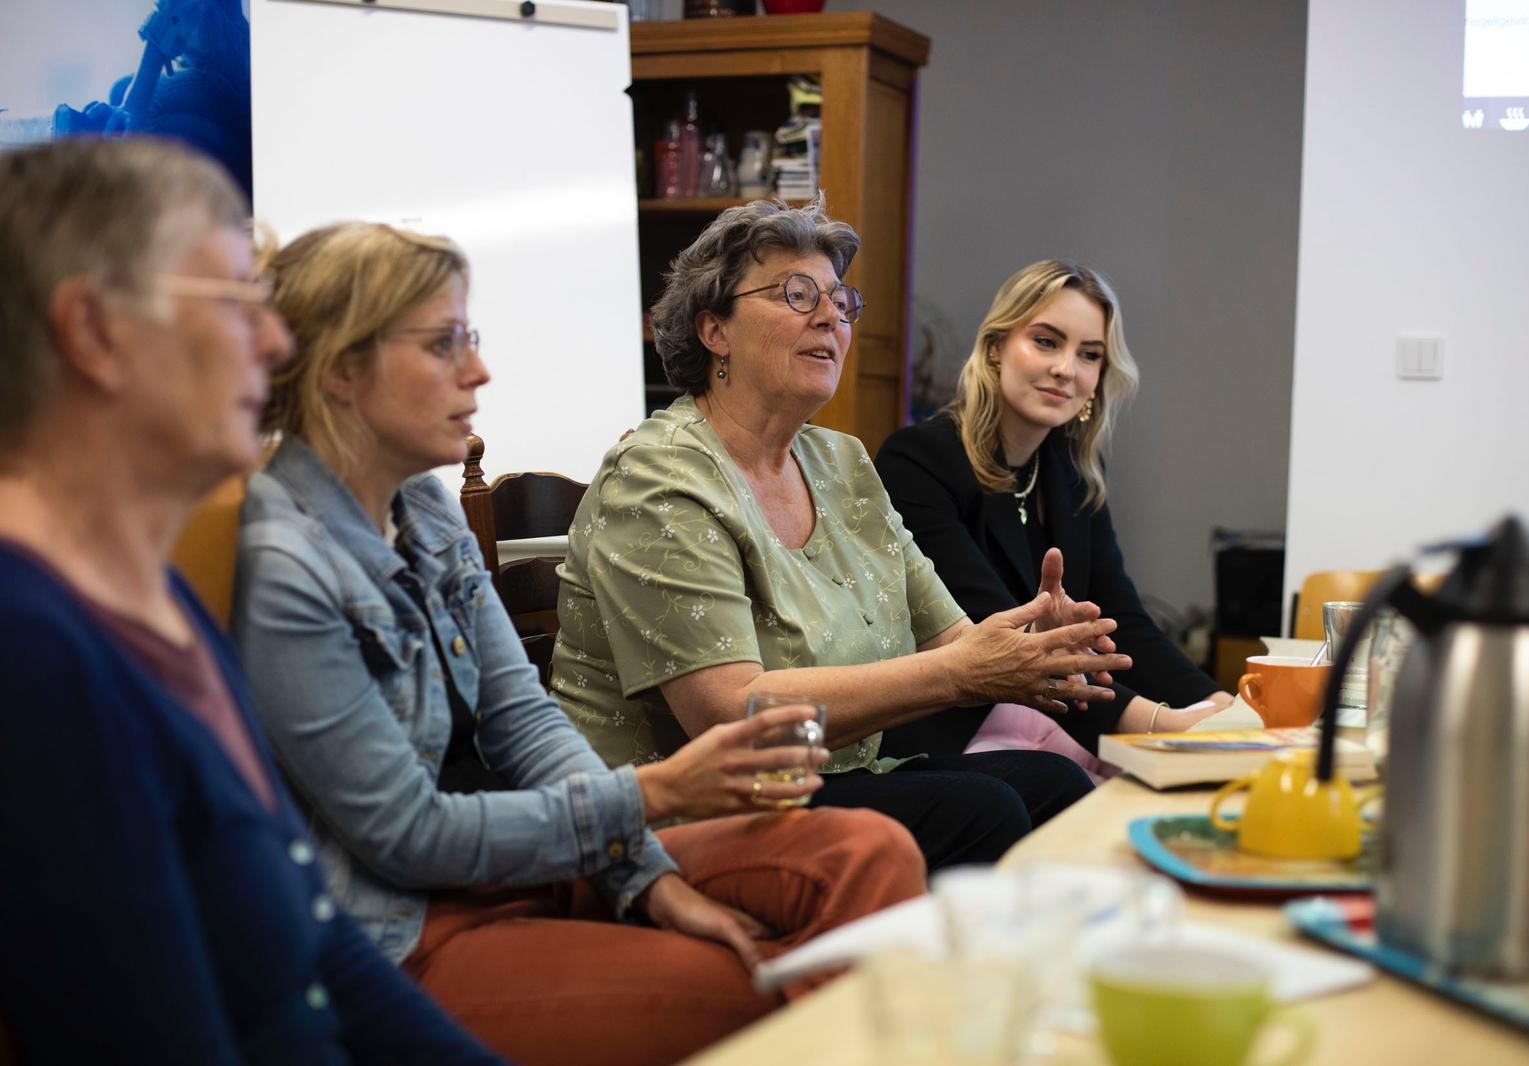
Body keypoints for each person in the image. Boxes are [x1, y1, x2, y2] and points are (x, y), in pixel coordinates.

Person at [230, 221, 926, 1066]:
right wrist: (655, 796)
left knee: (868, 851)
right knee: (756, 987)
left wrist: (645, 877)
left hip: (531, 861)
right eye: (445, 343)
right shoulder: (288, 562)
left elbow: (526, 724)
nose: (479, 371)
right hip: (399, 936)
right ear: (342, 370)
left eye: (471, 340)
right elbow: (408, 836)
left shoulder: (422, 509)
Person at [0, 139, 500, 1064]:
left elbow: (315, 941)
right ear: (94, 332)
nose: (276, 344)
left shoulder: (158, 598)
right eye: (237, 301)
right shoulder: (30, 654)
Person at [550, 198, 1132, 873]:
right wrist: (959, 674)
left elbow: (954, 641)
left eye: (840, 301)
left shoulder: (842, 463)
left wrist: (1031, 646)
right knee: (985, 810)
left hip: (816, 780)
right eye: (797, 294)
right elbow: (730, 717)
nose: (830, 316)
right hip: (688, 812)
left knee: (1055, 786)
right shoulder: (659, 476)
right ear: (715, 330)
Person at [875, 259, 1231, 765]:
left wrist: (1218, 704)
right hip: (952, 733)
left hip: (1056, 716)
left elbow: (1123, 623)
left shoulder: (1073, 471)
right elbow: (1009, 646)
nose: (1067, 369)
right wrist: (1160, 722)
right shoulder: (919, 461)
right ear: (996, 347)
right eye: (1046, 342)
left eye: (1089, 355)